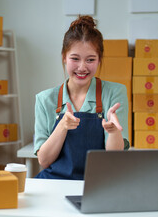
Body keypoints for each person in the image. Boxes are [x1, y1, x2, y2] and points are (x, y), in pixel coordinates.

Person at [34, 15, 130, 180]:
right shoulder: (45, 99)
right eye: (75, 58)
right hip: (55, 182)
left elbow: (114, 158)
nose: (82, 67)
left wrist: (113, 132)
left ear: (99, 59)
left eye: (90, 60)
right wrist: (62, 126)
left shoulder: (114, 93)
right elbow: (44, 161)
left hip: (100, 184)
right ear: (64, 57)